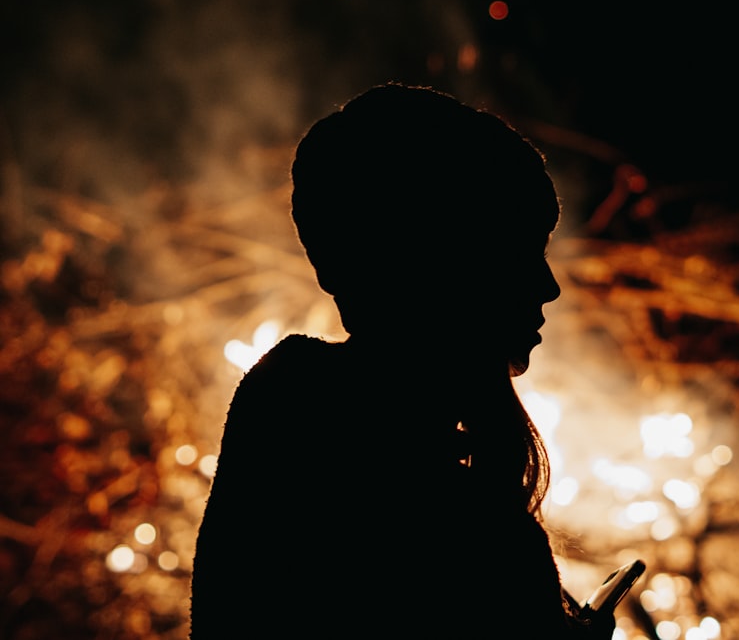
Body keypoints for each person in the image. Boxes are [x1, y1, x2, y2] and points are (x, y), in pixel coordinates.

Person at [188, 82, 616, 638]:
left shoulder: (284, 411)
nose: (548, 287)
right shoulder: (462, 534)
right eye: (519, 254)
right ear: (445, 266)